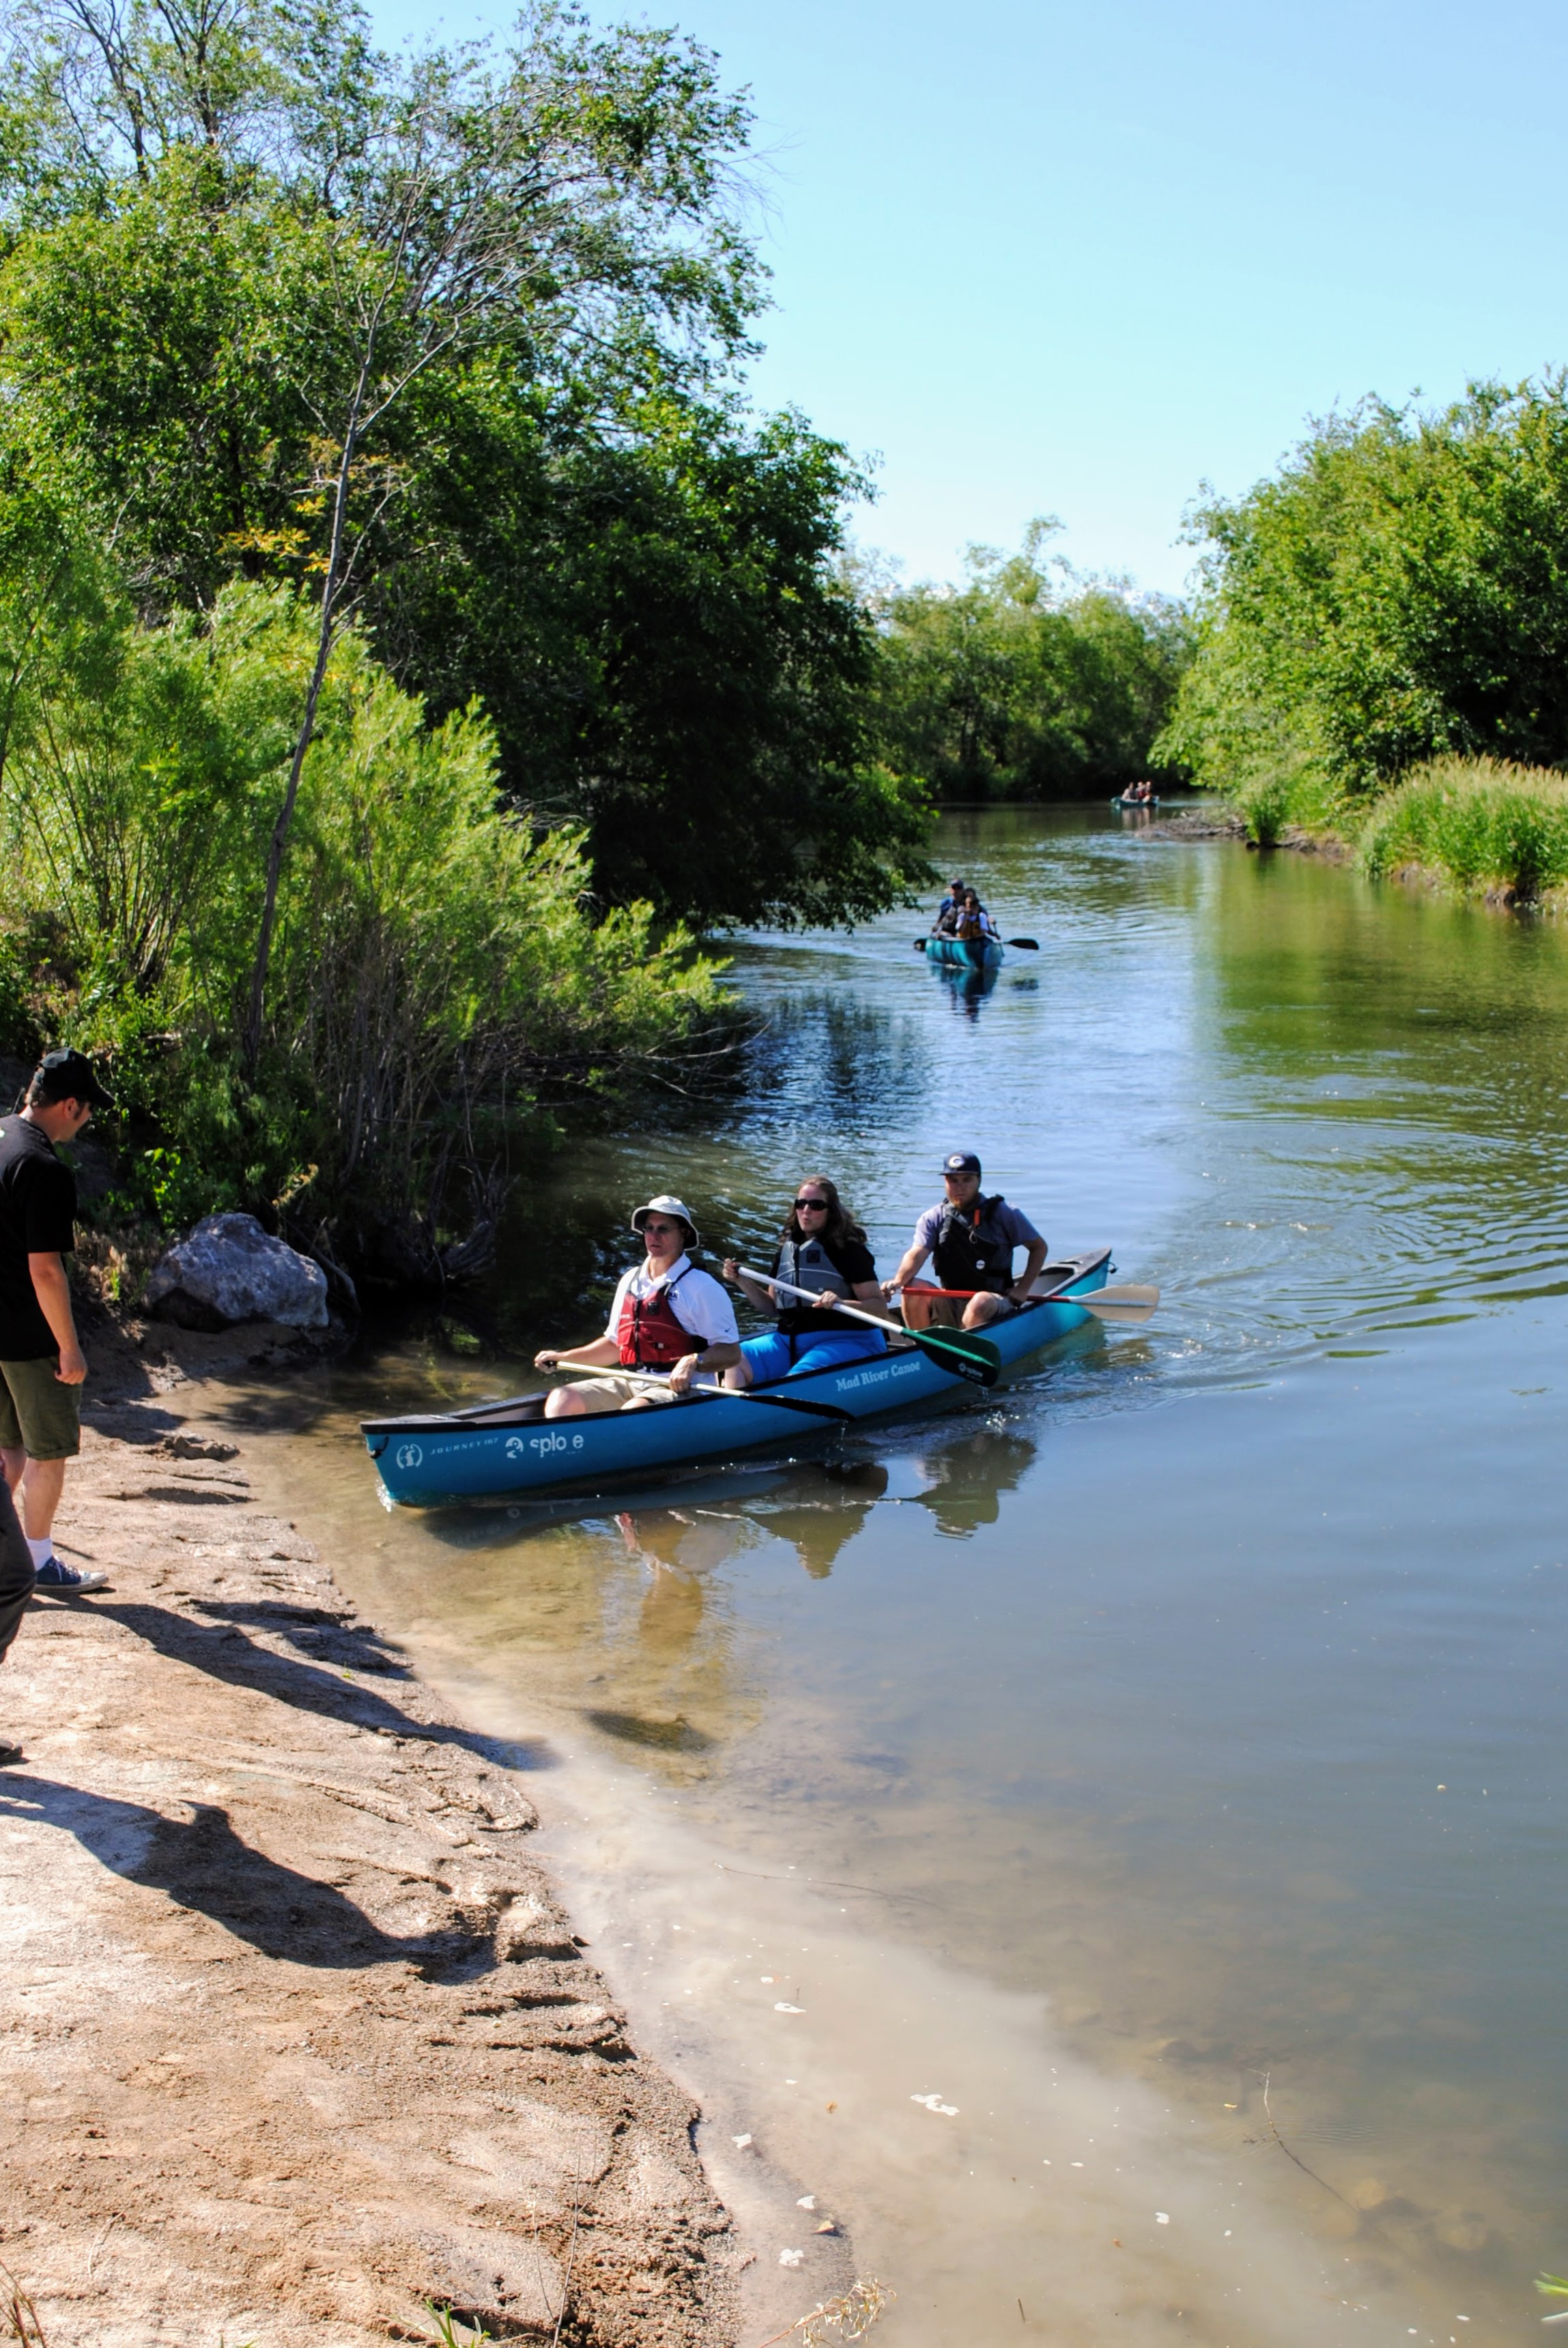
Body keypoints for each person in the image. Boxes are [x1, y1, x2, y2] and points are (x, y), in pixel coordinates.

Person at [0, 1049, 114, 1598]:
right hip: (29, 1337)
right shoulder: (44, 1169)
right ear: (70, 1104)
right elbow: (46, 1271)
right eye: (88, 1109)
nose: (87, 1119)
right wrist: (70, 1348)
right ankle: (38, 1560)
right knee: (46, 1450)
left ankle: (6, 1558)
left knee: (7, 1450)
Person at [533, 1195, 739, 1417]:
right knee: (562, 1398)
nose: (654, 1236)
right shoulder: (631, 1280)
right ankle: (563, 1448)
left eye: (663, 1229)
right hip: (633, 1383)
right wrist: (565, 1357)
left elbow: (731, 1353)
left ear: (684, 1233)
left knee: (633, 1411)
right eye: (649, 1229)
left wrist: (694, 1361)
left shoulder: (702, 1287)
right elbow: (616, 1346)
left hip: (684, 1390)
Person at [721, 1178, 892, 1389]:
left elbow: (879, 1308)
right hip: (788, 1342)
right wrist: (741, 1281)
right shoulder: (787, 1247)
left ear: (832, 1211)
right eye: (801, 1204)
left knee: (796, 1382)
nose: (806, 1210)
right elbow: (772, 1307)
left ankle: (771, 1413)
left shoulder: (848, 1249)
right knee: (732, 1359)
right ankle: (735, 1414)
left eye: (816, 1205)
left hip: (848, 1340)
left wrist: (842, 1303)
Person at [885, 1151, 1049, 1331]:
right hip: (951, 1298)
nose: (959, 1187)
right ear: (945, 1182)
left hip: (995, 1300)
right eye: (953, 1180)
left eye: (967, 1180)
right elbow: (917, 1253)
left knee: (980, 1301)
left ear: (979, 1180)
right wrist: (898, 1281)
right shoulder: (933, 1217)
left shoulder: (1005, 1213)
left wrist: (1023, 1289)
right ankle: (924, 1347)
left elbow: (1039, 1248)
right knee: (912, 1287)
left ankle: (964, 1347)